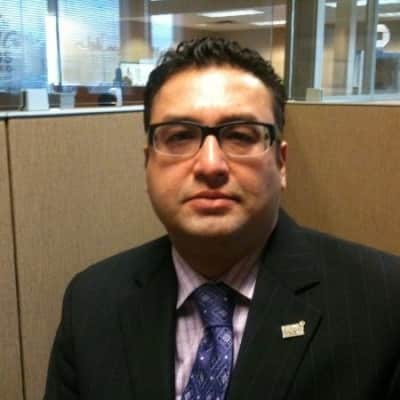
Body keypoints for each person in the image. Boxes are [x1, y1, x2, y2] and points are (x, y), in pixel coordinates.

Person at [44, 37, 400, 400]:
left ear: (281, 164)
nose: (210, 165)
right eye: (180, 136)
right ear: (148, 163)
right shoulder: (92, 302)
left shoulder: (384, 303)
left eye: (240, 136)